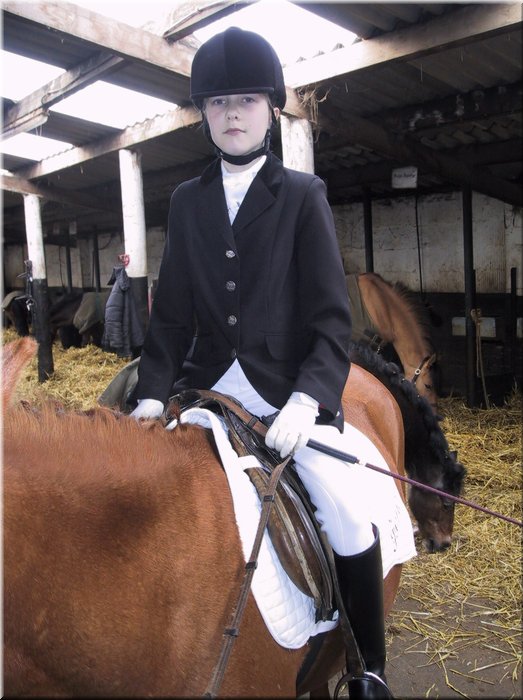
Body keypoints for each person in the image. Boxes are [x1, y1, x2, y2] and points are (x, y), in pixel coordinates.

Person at [130, 26, 415, 698]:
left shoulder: (302, 195)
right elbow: (170, 318)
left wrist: (306, 399)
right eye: (218, 102)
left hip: (286, 394)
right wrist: (151, 394)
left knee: (348, 512)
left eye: (246, 102)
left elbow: (330, 319)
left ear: (269, 110)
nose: (232, 114)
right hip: (205, 391)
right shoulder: (186, 201)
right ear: (204, 113)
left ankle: (367, 670)